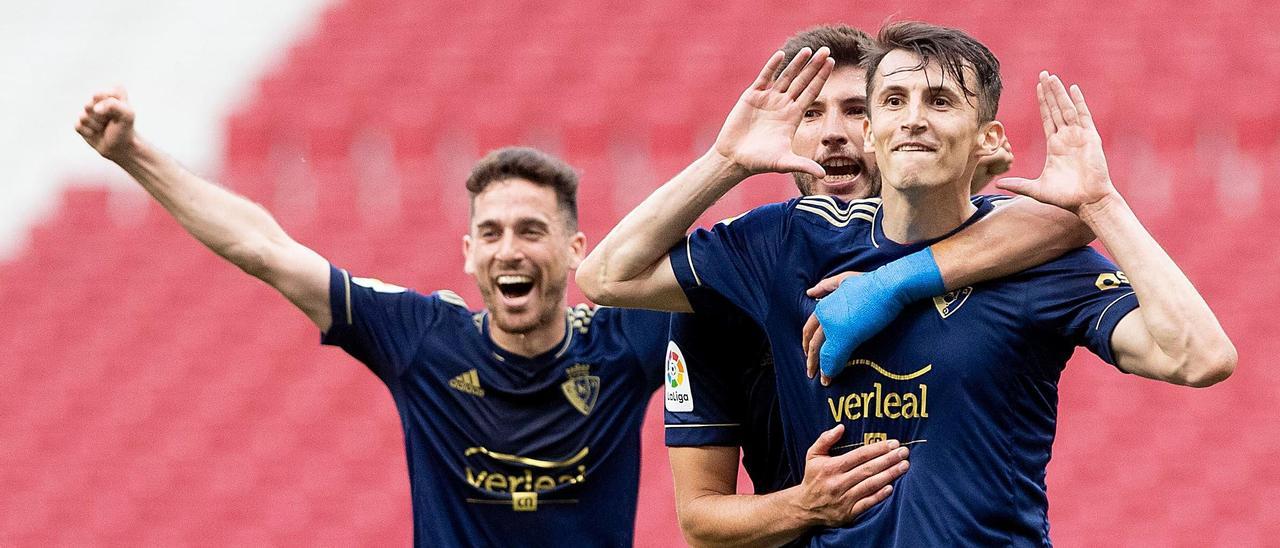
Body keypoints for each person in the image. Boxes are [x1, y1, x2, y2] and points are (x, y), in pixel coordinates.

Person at [580, 21, 1235, 546]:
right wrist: (725, 160)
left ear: (985, 138)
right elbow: (606, 276)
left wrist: (1100, 204)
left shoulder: (1031, 253)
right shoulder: (779, 245)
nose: (911, 119)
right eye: (894, 100)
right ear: (879, 128)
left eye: (940, 101)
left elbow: (1201, 355)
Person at [75, 91, 669, 546]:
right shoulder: (424, 338)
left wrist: (730, 162)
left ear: (576, 250)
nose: (508, 249)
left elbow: (736, 276)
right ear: (468, 253)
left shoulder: (624, 342)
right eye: (490, 233)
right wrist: (134, 153)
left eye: (531, 230)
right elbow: (265, 248)